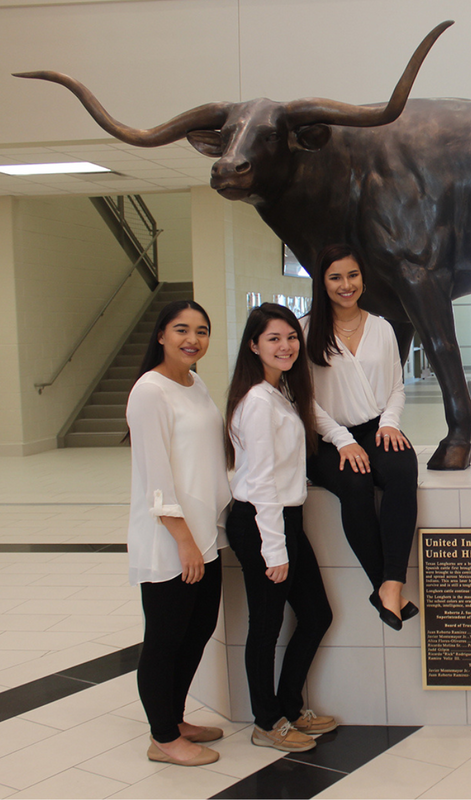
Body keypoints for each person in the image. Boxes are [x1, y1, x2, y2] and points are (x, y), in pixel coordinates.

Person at [225, 303, 335, 752]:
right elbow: (263, 482)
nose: (286, 346)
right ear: (254, 345)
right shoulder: (256, 401)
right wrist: (275, 550)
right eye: (273, 338)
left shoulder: (280, 391)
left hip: (285, 519)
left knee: (316, 615)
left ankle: (289, 706)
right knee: (266, 625)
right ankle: (267, 721)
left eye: (291, 337)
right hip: (261, 522)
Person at [126, 300, 231, 766]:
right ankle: (162, 738)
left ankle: (176, 716)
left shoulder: (194, 382)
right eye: (182, 329)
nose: (193, 339)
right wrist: (183, 539)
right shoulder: (150, 391)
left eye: (202, 331)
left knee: (199, 628)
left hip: (205, 532)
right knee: (166, 637)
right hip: (172, 539)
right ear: (162, 335)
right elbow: (156, 475)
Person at [304, 243, 419, 630]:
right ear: (322, 283)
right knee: (356, 482)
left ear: (363, 279)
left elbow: (396, 386)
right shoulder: (305, 331)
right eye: (335, 277)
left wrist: (389, 422)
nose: (345, 284)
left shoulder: (382, 327)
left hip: (376, 426)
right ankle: (385, 587)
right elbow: (304, 400)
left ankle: (391, 584)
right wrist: (341, 439)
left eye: (352, 275)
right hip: (325, 437)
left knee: (402, 471)